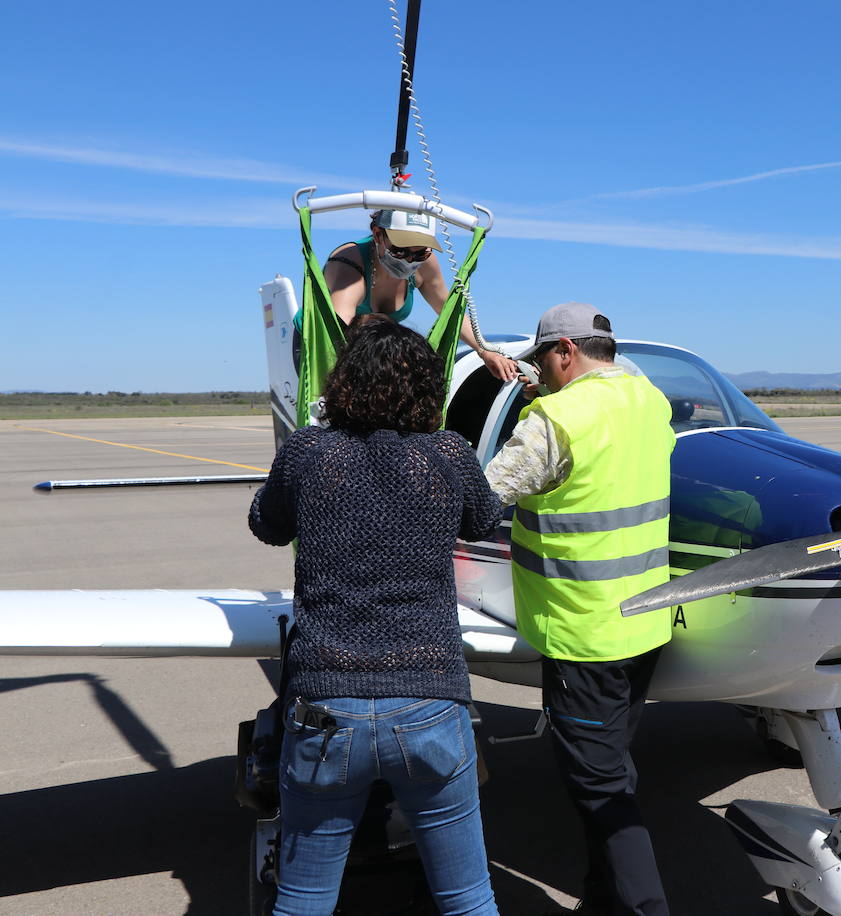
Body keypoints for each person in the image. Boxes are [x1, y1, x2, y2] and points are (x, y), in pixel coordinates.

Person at [249, 315, 504, 916]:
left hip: (324, 707)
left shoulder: (310, 451)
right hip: (429, 700)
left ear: (343, 384)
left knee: (305, 898)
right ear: (426, 389)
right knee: (468, 898)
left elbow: (265, 523)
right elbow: (485, 519)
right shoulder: (447, 454)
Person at [484, 302, 675, 916]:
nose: (540, 371)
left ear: (565, 350)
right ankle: (603, 901)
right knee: (613, 770)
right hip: (644, 622)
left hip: (583, 635)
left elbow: (482, 498)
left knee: (601, 790)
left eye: (543, 359)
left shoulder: (556, 418)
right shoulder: (650, 401)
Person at [310, 208, 518, 381]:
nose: (410, 260)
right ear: (377, 235)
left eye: (420, 253)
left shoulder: (425, 265)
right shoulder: (348, 262)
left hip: (373, 344)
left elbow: (448, 311)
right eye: (400, 251)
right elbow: (338, 334)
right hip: (322, 342)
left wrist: (484, 350)